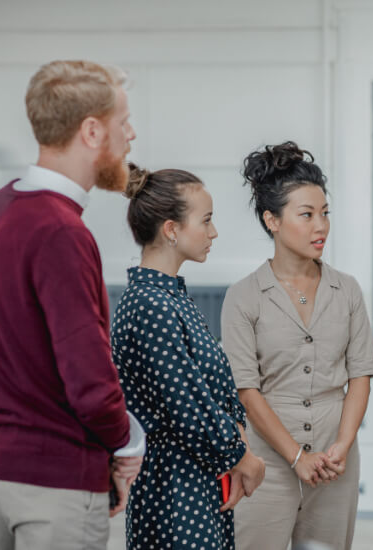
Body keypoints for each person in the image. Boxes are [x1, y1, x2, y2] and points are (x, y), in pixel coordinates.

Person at [0, 60, 142, 549]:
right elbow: (89, 382)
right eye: (123, 122)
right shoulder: (61, 232)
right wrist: (128, 443)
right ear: (92, 131)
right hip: (56, 486)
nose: (131, 135)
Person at [222, 141, 373, 550]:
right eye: (307, 215)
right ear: (271, 220)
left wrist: (341, 448)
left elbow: (360, 374)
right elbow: (246, 389)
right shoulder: (244, 296)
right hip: (265, 462)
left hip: (334, 459)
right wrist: (296, 457)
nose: (321, 226)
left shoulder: (346, 289)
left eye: (325, 214)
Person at [111, 164, 266, 549]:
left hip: (198, 479)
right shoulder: (150, 304)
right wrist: (240, 456)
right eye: (207, 220)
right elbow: (186, 406)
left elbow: (213, 391)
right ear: (171, 229)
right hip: (173, 489)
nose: (213, 232)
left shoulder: (171, 297)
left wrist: (237, 444)